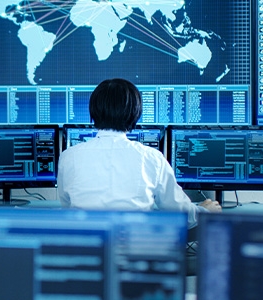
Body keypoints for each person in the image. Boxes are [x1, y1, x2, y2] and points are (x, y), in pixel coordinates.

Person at [57, 78, 221, 229]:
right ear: (134, 113)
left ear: (93, 112)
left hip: (87, 253)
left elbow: (67, 206)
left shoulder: (69, 156)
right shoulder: (151, 158)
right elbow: (180, 214)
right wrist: (205, 212)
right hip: (135, 253)